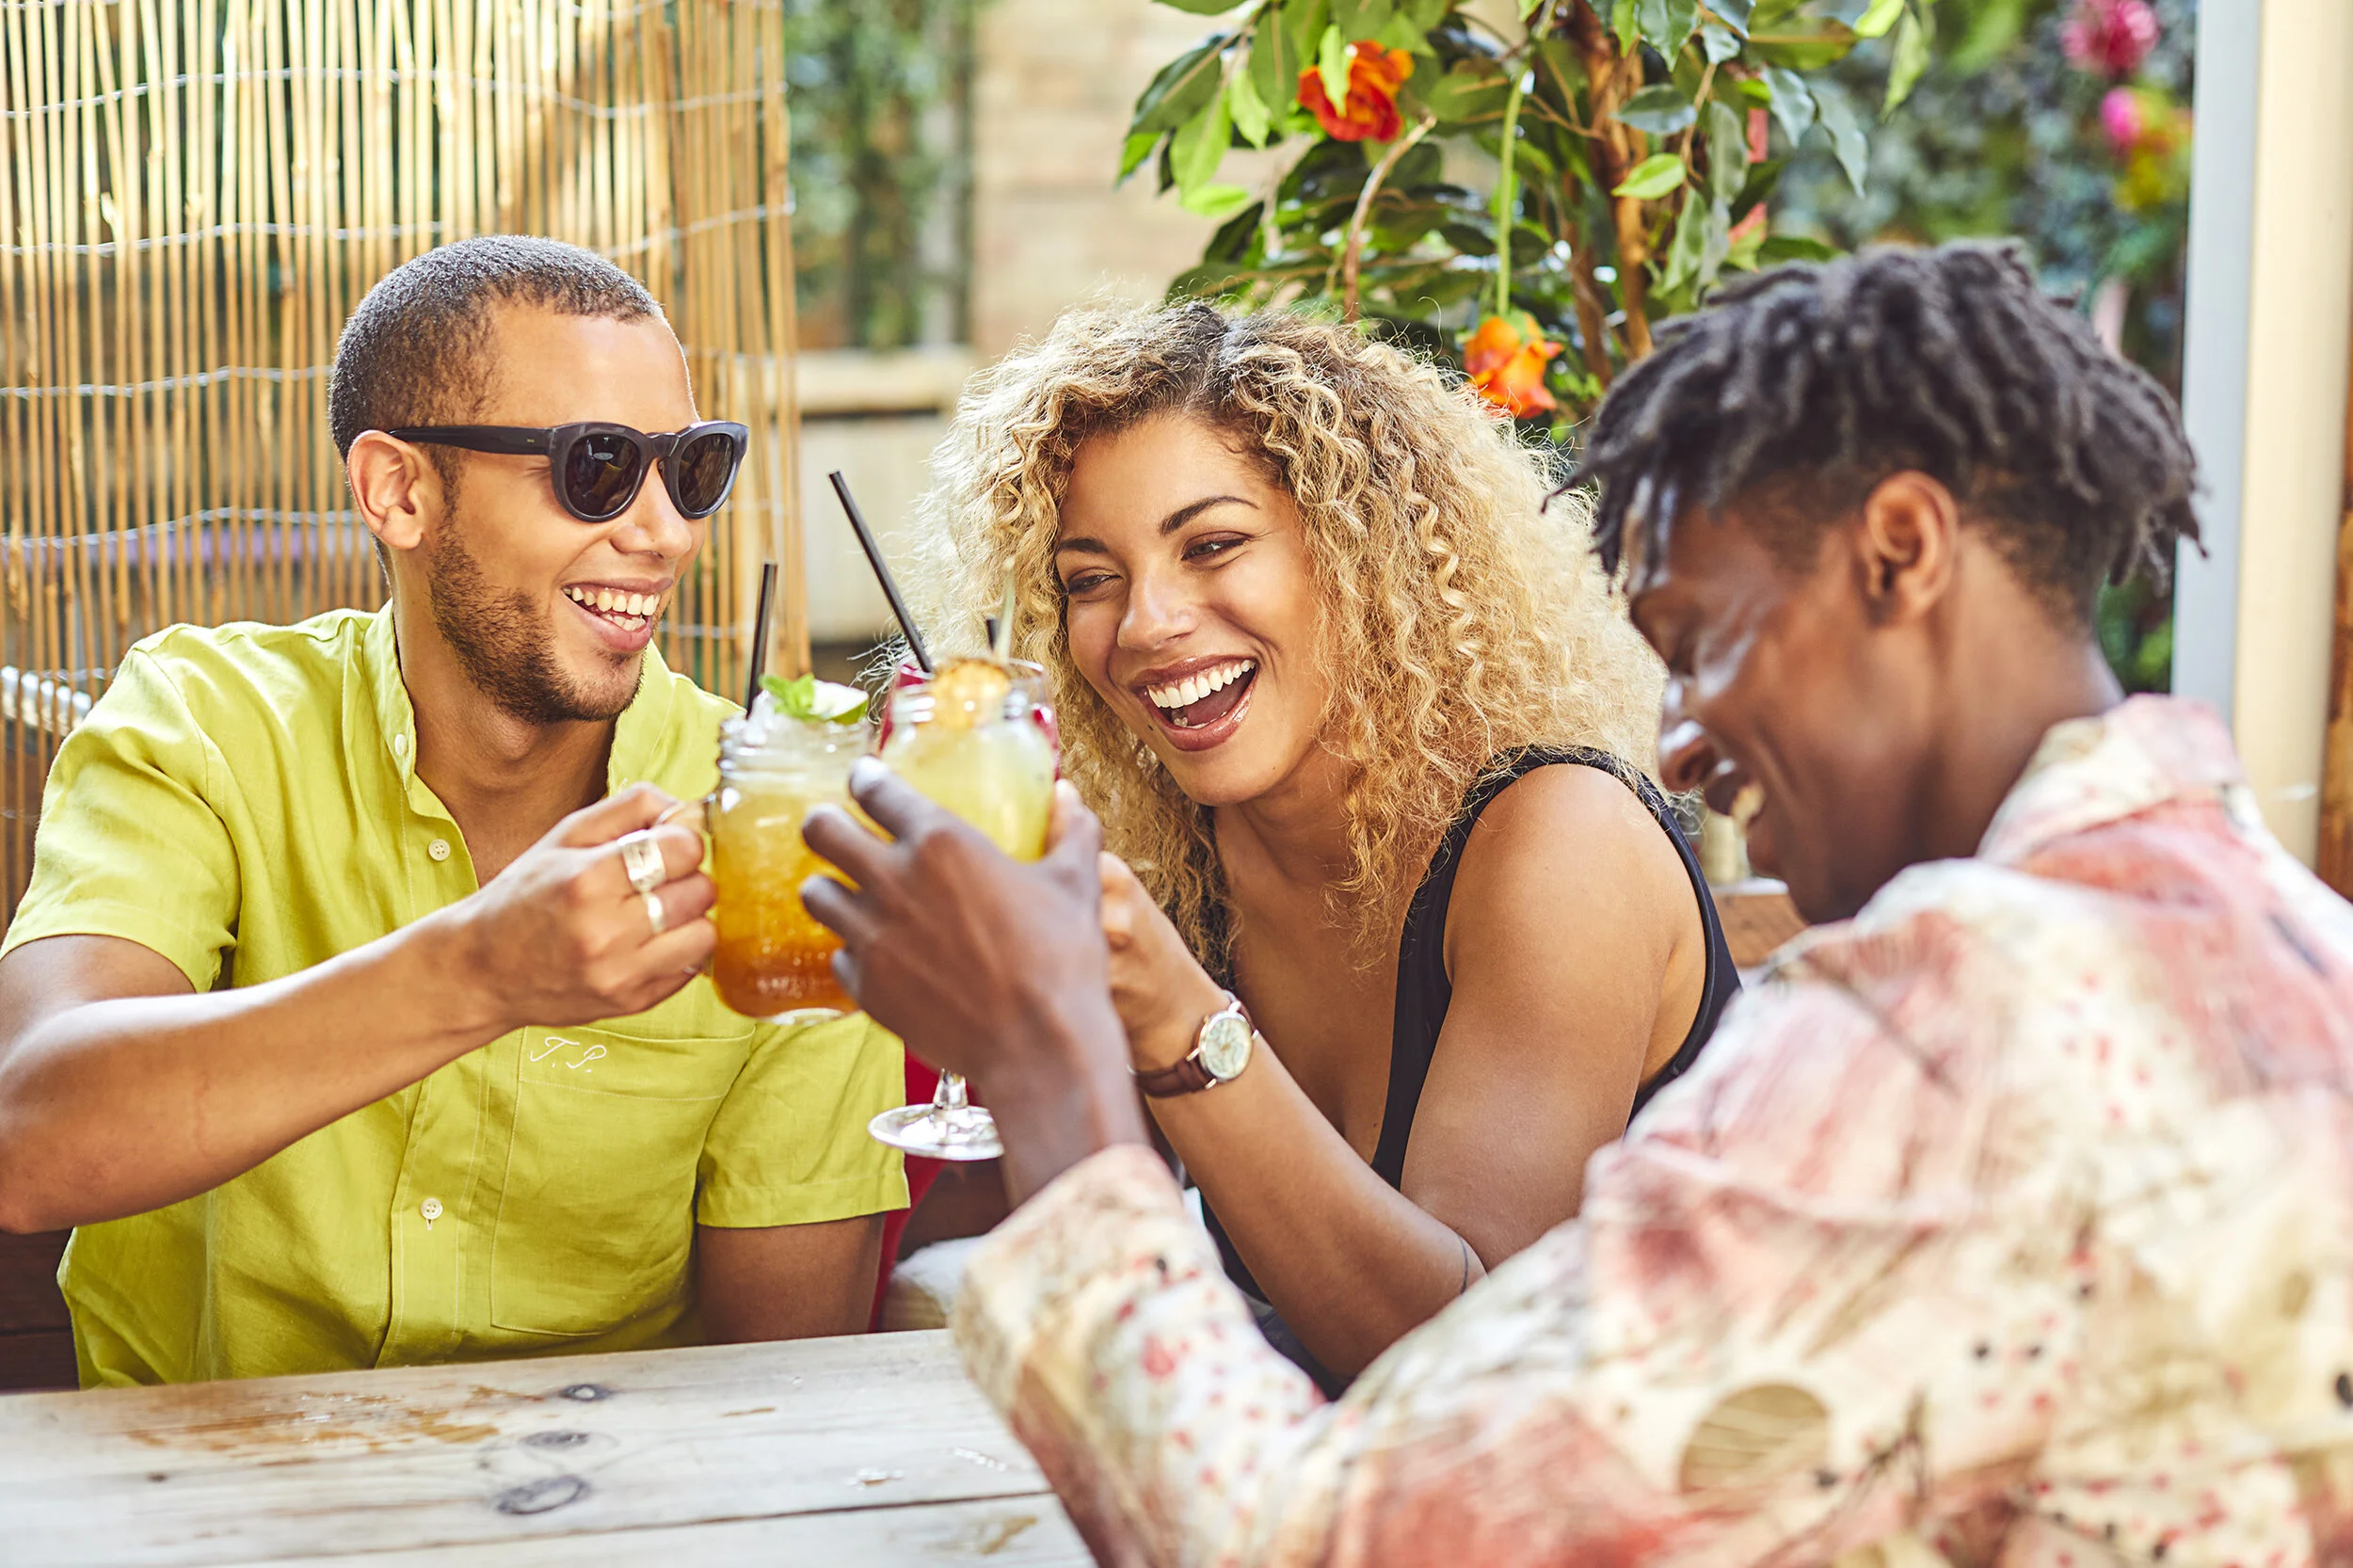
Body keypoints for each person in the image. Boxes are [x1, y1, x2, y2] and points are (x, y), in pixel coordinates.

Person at [803, 241, 2353, 1564]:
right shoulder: (2268, 931)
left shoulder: (1951, 1030)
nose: (1677, 735)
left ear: (1902, 553)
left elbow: (1340, 1538)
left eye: (1711, 640)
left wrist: (1056, 1060)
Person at [0, 236, 906, 1386]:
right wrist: (481, 973)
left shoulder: (777, 824)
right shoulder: (207, 725)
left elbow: (783, 1384)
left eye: (691, 468)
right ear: (401, 492)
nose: (667, 532)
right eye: (597, 466)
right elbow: (31, 1131)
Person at [907, 304, 1736, 1387]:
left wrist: (1177, 1019)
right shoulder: (1176, 867)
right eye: (1088, 577)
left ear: (1358, 553)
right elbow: (1024, 1223)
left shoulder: (1557, 842)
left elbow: (1455, 1373)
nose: (1147, 623)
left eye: (1211, 545)